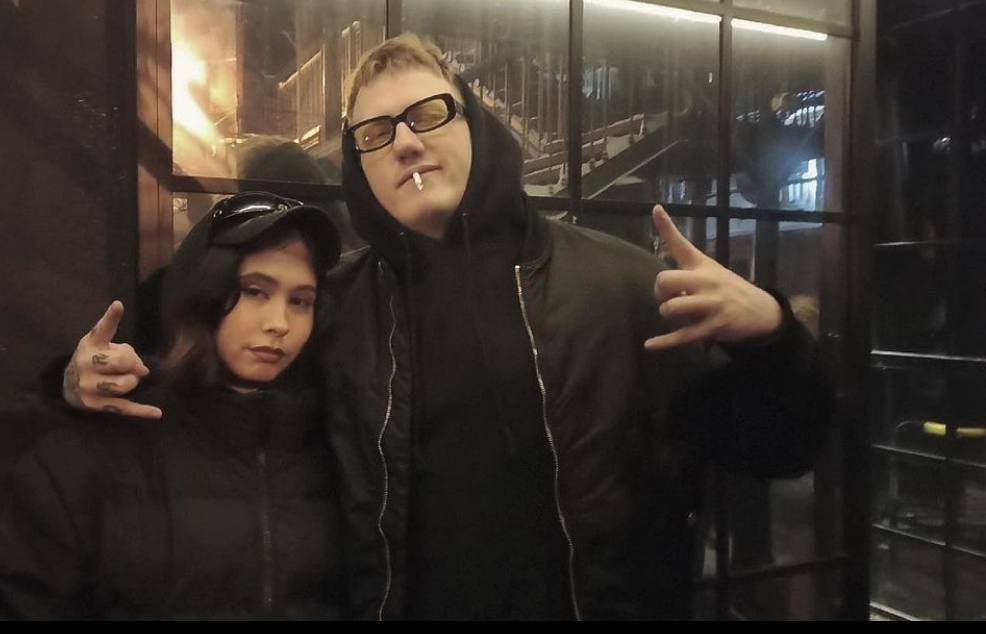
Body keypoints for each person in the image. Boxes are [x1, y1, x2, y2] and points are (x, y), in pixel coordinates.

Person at [57, 34, 832, 620]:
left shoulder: (621, 285)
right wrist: (77, 375)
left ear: (475, 124)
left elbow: (779, 449)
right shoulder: (330, 308)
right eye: (375, 132)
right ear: (358, 165)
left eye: (428, 113)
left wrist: (773, 339)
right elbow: (200, 371)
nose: (406, 141)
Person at [1, 192, 345, 619]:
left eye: (300, 301)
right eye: (254, 291)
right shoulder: (111, 438)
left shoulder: (333, 441)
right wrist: (61, 394)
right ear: (205, 290)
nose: (280, 323)